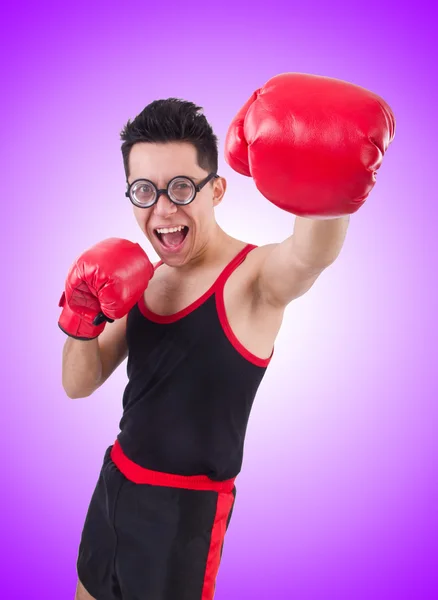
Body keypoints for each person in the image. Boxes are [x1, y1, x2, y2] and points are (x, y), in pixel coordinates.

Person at [59, 73, 395, 600]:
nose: (163, 209)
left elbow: (310, 255)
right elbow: (79, 385)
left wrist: (327, 168)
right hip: (113, 486)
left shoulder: (253, 278)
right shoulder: (140, 277)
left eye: (181, 187)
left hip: (181, 517)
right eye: (145, 191)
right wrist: (79, 318)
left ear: (216, 189)